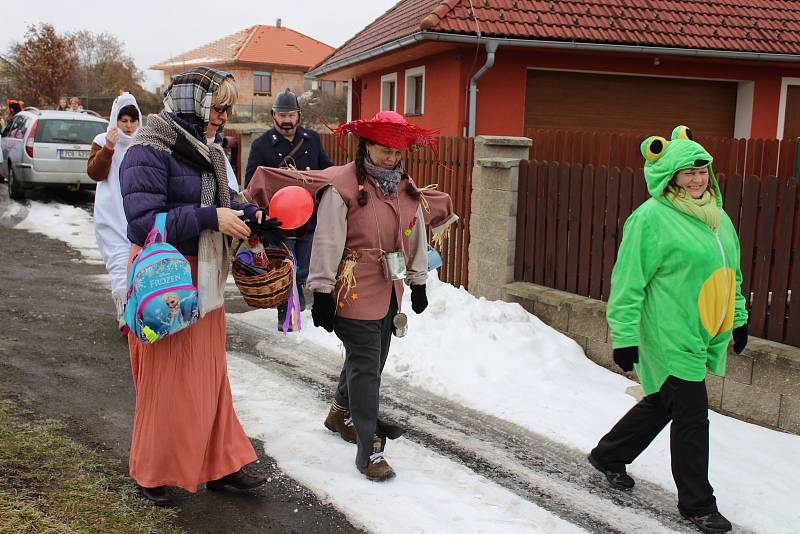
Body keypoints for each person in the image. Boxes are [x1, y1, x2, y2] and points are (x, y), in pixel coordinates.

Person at [119, 67, 283, 505]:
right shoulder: (147, 149)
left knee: (209, 377)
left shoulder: (209, 151)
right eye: (219, 107)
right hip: (165, 280)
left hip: (205, 274)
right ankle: (152, 470)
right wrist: (212, 218)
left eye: (228, 108)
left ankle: (221, 464)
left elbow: (226, 203)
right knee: (167, 379)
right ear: (195, 103)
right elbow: (142, 223)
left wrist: (253, 217)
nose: (224, 117)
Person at [587, 125, 748, 534]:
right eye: (687, 172)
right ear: (670, 175)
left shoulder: (717, 218)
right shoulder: (651, 219)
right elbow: (627, 282)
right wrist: (624, 337)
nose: (697, 179)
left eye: (702, 170)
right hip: (667, 331)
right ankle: (698, 504)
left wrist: (740, 318)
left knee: (664, 401)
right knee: (692, 415)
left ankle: (608, 455)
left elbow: (732, 274)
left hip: (702, 330)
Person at [311, 111, 436, 481]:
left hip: (389, 291)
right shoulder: (344, 186)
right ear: (367, 145)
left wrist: (418, 282)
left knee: (372, 359)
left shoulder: (404, 186)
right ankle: (371, 451)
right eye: (384, 150)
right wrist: (321, 291)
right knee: (367, 369)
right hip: (351, 289)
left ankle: (339, 413)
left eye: (397, 152)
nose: (391, 159)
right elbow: (327, 239)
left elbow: (415, 233)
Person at [244, 88, 333, 331]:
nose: (286, 121)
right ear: (273, 116)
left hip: (309, 218)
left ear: (298, 115)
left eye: (291, 115)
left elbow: (326, 170)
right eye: (282, 115)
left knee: (303, 267)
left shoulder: (312, 139)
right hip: (279, 222)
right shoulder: (261, 145)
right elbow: (251, 183)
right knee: (285, 267)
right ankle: (287, 315)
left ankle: (297, 296)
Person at [87, 92, 141, 330]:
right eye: (124, 121)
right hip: (111, 212)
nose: (128, 127)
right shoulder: (102, 140)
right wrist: (108, 149)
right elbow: (95, 173)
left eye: (133, 120)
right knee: (119, 262)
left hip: (138, 213)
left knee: (139, 263)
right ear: (115, 120)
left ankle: (140, 310)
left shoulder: (146, 142)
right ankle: (124, 315)